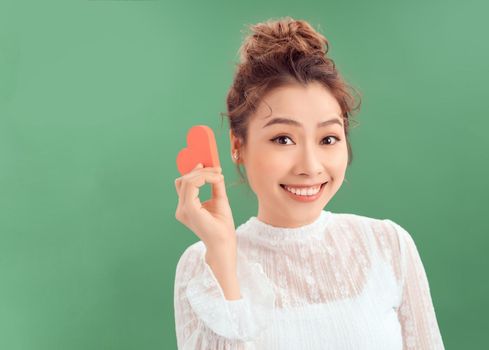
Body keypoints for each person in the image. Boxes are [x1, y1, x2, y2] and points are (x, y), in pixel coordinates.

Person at [173, 16, 445, 350]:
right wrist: (222, 254)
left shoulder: (388, 245)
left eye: (328, 139)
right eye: (283, 139)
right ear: (237, 146)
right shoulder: (201, 264)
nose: (310, 167)